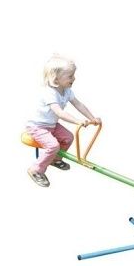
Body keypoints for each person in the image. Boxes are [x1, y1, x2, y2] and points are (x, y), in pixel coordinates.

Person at [26, 54, 102, 187]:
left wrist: (92, 118)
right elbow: (59, 113)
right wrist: (77, 121)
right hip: (37, 127)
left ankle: (55, 159)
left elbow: (78, 104)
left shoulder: (67, 91)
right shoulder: (49, 93)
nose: (74, 78)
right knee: (53, 146)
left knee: (68, 138)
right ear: (56, 79)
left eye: (73, 75)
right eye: (70, 76)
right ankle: (36, 170)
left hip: (52, 125)